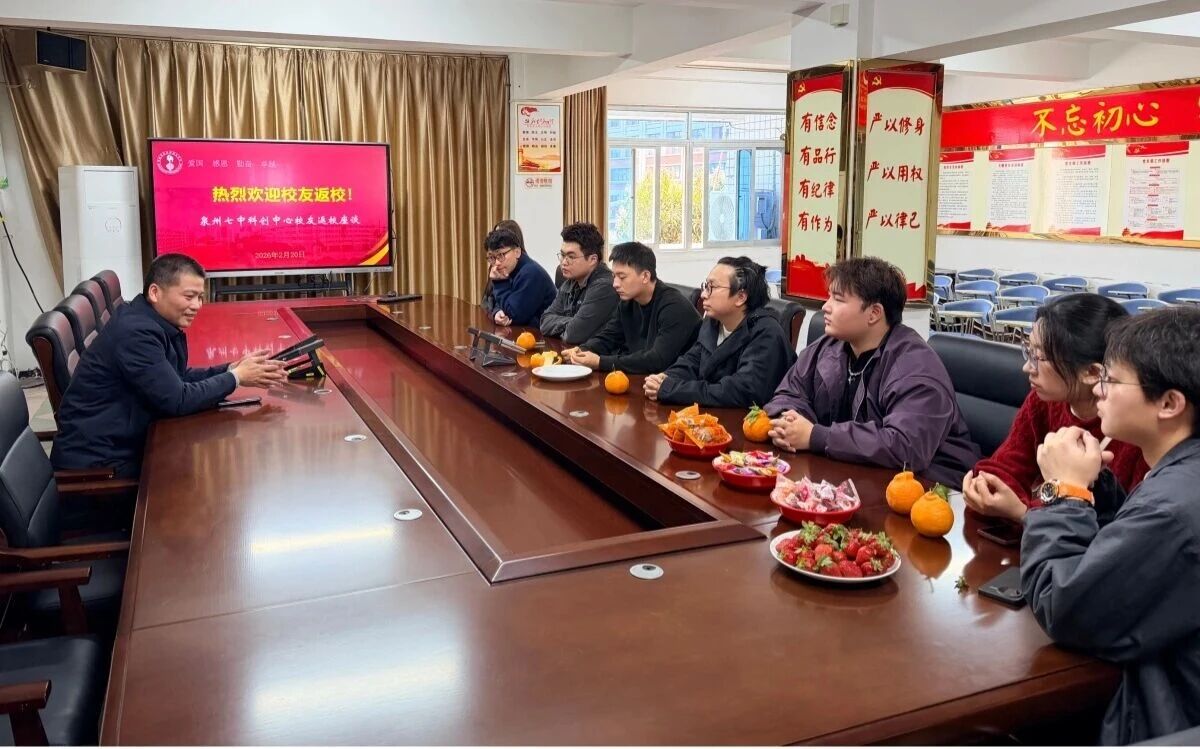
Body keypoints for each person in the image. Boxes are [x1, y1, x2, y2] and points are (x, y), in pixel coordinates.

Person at [1020, 306, 1200, 745]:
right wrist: (1093, 487)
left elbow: (1062, 606)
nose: (1098, 389)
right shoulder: (1180, 476)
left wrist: (1063, 491)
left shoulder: (1172, 510)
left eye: (1112, 380)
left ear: (1169, 403)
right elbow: (1126, 546)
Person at [51, 254, 287, 478]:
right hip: (100, 466)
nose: (197, 305)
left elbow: (176, 377)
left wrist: (229, 369)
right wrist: (236, 378)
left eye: (200, 297)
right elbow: (177, 400)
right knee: (205, 475)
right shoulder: (136, 334)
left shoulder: (147, 319)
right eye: (189, 296)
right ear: (155, 292)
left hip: (122, 444)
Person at [764, 257, 979, 485]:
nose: (825, 306)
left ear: (874, 313)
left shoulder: (915, 365)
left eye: (838, 299)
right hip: (852, 473)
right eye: (829, 297)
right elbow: (788, 393)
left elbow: (905, 447)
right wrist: (790, 423)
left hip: (928, 487)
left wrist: (816, 436)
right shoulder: (829, 346)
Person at [964, 294, 1147, 522]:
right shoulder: (1044, 400)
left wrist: (1024, 513)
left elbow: (1120, 528)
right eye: (1028, 351)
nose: (1027, 367)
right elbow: (1009, 464)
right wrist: (987, 485)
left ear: (1092, 372)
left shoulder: (1131, 428)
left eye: (1038, 357)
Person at [645, 257, 794, 408]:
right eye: (705, 286)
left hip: (748, 418)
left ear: (740, 297)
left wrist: (673, 389)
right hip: (712, 413)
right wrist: (666, 377)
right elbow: (692, 361)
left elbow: (740, 391)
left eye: (712, 287)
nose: (703, 294)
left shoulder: (766, 333)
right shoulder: (713, 321)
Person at [562, 241, 700, 374]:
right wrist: (582, 350)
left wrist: (600, 362)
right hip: (642, 377)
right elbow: (608, 337)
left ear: (645, 276)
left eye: (622, 277)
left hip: (673, 382)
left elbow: (657, 360)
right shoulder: (628, 301)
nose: (615, 284)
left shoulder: (674, 307)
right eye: (614, 276)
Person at [538, 222, 618, 344]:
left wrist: (568, 325)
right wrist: (572, 322)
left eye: (571, 257)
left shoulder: (604, 286)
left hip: (600, 354)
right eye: (562, 255)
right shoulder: (570, 281)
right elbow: (544, 321)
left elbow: (573, 335)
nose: (564, 262)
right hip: (573, 351)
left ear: (592, 259)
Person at [482, 226, 556, 327]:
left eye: (501, 255)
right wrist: (497, 312)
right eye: (492, 257)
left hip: (542, 334)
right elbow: (494, 302)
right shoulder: (509, 268)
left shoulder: (530, 273)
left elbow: (514, 316)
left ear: (517, 252)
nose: (497, 263)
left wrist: (500, 282)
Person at [481, 219, 524, 316]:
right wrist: (495, 312)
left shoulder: (523, 271)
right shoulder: (494, 266)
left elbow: (514, 308)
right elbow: (487, 301)